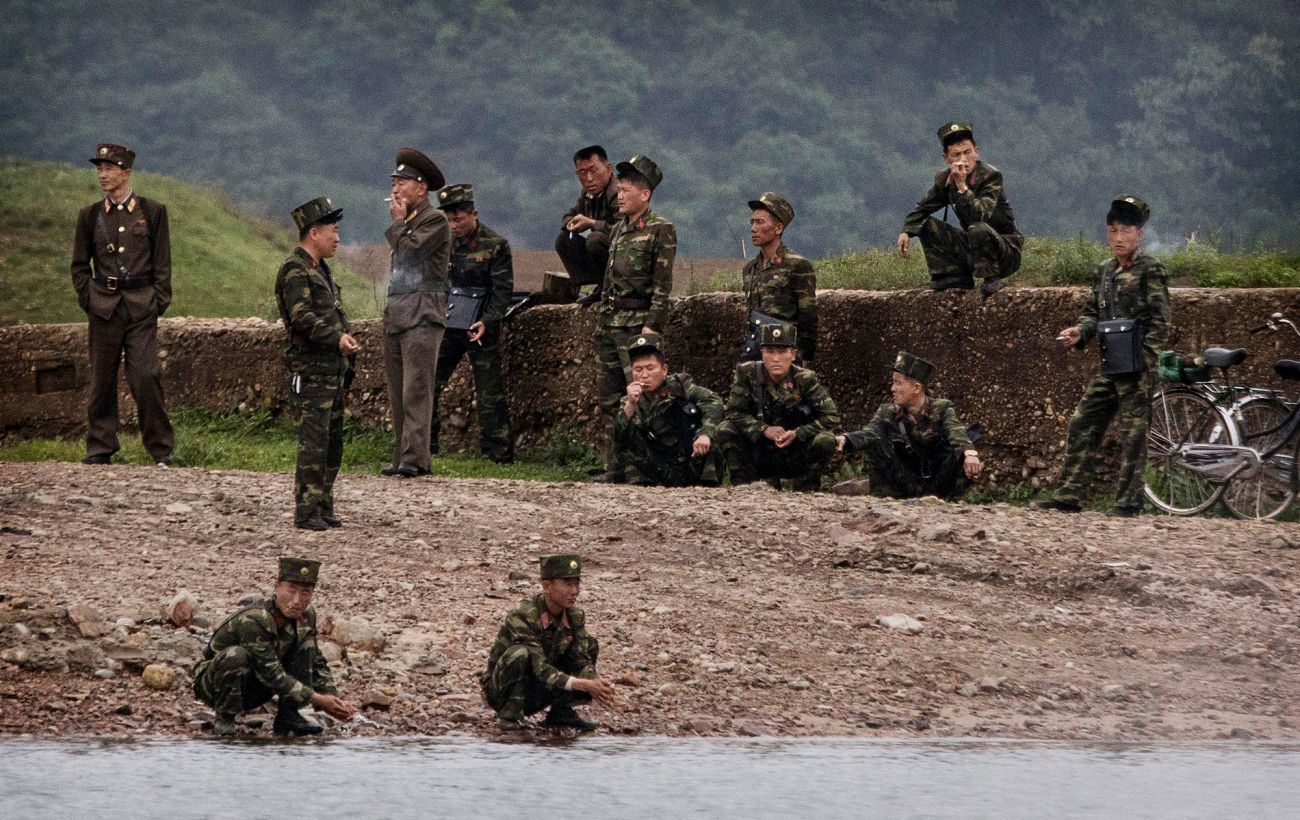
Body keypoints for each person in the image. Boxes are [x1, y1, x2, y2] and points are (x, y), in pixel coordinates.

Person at [1034, 196, 1169, 517]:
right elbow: (1093, 313)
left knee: (1133, 433)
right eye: (1112, 231)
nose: (1118, 238)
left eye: (1125, 231)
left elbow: (1160, 321)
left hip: (1138, 365)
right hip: (1112, 363)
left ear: (1139, 234)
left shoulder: (1151, 270)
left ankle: (1128, 502)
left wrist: (1147, 363)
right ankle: (1070, 494)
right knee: (1084, 420)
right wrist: (1080, 331)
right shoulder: (1104, 272)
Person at [70, 143, 174, 465]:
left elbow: (163, 264)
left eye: (109, 168)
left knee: (145, 375)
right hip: (103, 306)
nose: (103, 174)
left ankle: (160, 449)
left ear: (126, 172)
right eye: (99, 168)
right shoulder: (89, 216)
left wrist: (158, 301)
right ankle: (100, 447)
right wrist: (89, 299)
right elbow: (79, 266)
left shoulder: (152, 212)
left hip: (141, 306)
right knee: (102, 379)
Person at [193, 557, 356, 737]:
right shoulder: (254, 619)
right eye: (291, 590)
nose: (297, 601)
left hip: (258, 687)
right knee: (236, 655)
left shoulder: (306, 616)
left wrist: (334, 701)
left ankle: (289, 715)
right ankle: (225, 719)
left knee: (307, 646)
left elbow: (316, 662)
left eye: (305, 593)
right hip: (214, 687)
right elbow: (271, 674)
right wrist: (318, 699)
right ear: (277, 586)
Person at [274, 197, 359, 530]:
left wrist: (346, 333)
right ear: (313, 233)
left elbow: (333, 310)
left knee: (332, 442)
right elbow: (302, 317)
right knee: (314, 442)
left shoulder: (319, 269)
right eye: (333, 232)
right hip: (311, 371)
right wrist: (336, 337)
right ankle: (306, 511)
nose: (337, 239)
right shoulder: (294, 269)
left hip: (332, 371)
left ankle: (323, 505)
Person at [593, 155, 676, 482]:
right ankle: (615, 466)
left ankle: (644, 468)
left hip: (638, 323)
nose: (619, 196)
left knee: (642, 396)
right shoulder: (618, 230)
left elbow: (662, 283)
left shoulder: (660, 229)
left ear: (645, 195)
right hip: (611, 323)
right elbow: (608, 283)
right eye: (619, 190)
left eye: (626, 190)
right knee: (611, 399)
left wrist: (652, 326)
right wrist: (602, 321)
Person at [480, 554, 617, 732]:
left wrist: (597, 684)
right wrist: (584, 685)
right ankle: (509, 716)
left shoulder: (575, 616)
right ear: (547, 586)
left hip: (541, 689)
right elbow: (540, 668)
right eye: (568, 584)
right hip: (503, 693)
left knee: (590, 644)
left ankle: (561, 712)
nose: (575, 591)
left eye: (577, 584)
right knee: (520, 653)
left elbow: (580, 659)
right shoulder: (524, 614)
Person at [430, 183, 515, 463]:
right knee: (429, 381)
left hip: (481, 325)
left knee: (489, 391)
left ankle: (498, 453)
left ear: (473, 214)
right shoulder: (443, 244)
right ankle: (426, 444)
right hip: (449, 323)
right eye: (449, 219)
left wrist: (487, 322)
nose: (454, 225)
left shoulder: (495, 245)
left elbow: (502, 290)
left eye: (459, 219)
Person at [381, 147, 450, 478]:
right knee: (397, 391)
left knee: (416, 390)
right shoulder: (407, 222)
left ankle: (416, 458)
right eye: (394, 182)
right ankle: (401, 456)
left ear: (421, 188)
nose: (395, 188)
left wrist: (396, 226)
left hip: (422, 313)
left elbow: (409, 253)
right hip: (398, 313)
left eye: (403, 182)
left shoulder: (434, 220)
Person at [897, 121, 1023, 296]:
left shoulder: (990, 176)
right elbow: (923, 208)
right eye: (956, 155)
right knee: (924, 224)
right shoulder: (944, 180)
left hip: (1005, 250)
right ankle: (950, 274)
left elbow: (980, 216)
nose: (963, 159)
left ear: (976, 152)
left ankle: (991, 279)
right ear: (947, 159)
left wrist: (962, 186)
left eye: (967, 152)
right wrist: (907, 231)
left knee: (977, 227)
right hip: (974, 246)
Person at [836, 351, 982, 499]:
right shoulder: (887, 412)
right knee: (874, 442)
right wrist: (847, 439)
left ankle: (953, 502)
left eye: (898, 383)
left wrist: (969, 453)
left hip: (939, 482)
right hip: (905, 481)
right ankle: (882, 497)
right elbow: (870, 432)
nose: (892, 389)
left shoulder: (942, 408)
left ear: (916, 388)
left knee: (965, 447)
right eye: (893, 382)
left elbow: (956, 431)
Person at [716, 322, 840, 491]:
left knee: (825, 440)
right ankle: (744, 488)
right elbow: (733, 411)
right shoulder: (747, 373)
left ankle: (806, 489)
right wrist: (763, 429)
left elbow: (831, 416)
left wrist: (798, 433)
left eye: (782, 352)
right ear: (762, 353)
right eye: (770, 352)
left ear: (793, 354)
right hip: (759, 451)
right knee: (725, 429)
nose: (775, 358)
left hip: (793, 452)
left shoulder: (805, 379)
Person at [610, 332, 724, 486]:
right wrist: (630, 405)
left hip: (689, 458)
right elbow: (618, 437)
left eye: (650, 368)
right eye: (638, 370)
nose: (644, 375)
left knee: (718, 431)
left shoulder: (680, 386)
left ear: (664, 370)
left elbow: (714, 402)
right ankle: (640, 489)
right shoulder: (630, 399)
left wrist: (705, 434)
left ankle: (709, 489)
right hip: (658, 466)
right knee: (625, 438)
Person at [742, 193, 817, 365]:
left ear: (778, 228)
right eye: (752, 222)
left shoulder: (797, 265)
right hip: (756, 352)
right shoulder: (750, 269)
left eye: (760, 222)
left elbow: (808, 317)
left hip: (785, 354)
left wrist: (804, 359)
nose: (753, 228)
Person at [556, 144, 619, 304]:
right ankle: (600, 284)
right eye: (582, 173)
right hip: (607, 252)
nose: (589, 179)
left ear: (608, 168)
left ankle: (611, 287)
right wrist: (572, 223)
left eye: (594, 170)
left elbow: (625, 229)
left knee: (595, 239)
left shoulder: (618, 192)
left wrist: (592, 223)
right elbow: (569, 215)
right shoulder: (588, 194)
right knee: (564, 239)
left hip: (627, 255)